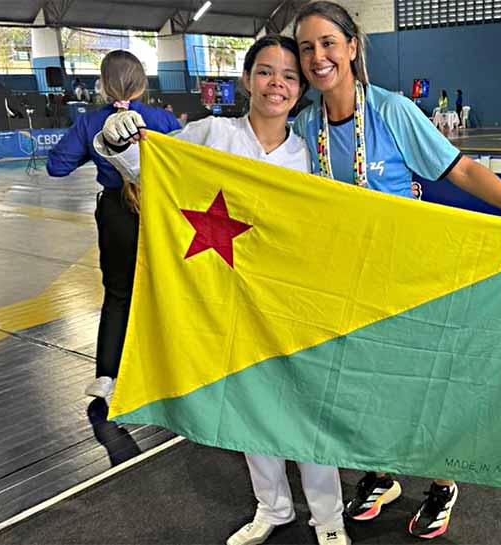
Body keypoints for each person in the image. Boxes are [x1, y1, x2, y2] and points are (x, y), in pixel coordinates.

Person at [292, 1, 501, 539]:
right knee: (360, 385)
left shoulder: (392, 112)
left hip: (406, 277)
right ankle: (381, 474)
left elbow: (459, 167)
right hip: (343, 282)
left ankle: (443, 482)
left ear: (352, 47)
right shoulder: (305, 124)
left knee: (421, 383)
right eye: (306, 47)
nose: (318, 57)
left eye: (328, 43)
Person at [91, 36, 350, 545]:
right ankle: (272, 507)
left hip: (295, 302)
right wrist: (116, 141)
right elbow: (147, 167)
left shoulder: (310, 153)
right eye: (265, 72)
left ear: (301, 89)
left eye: (289, 76)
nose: (277, 83)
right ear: (247, 79)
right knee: (250, 411)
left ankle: (330, 519)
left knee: (308, 413)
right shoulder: (212, 133)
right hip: (228, 300)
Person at [46, 51, 181, 405]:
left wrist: (92, 150)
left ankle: (107, 374)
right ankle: (172, 366)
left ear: (103, 85)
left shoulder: (90, 123)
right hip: (162, 212)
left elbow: (57, 167)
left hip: (116, 214)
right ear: (142, 83)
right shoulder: (163, 120)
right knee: (169, 288)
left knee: (118, 293)